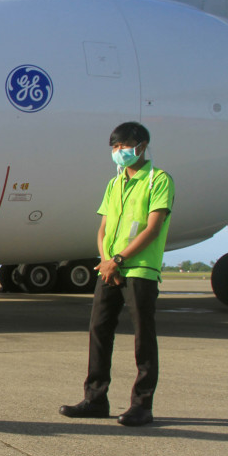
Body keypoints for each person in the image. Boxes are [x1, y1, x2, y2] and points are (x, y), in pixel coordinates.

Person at [60, 122, 174, 427]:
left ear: (141, 146)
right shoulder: (114, 184)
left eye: (122, 146)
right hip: (110, 268)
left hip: (140, 269)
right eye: (114, 147)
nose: (118, 151)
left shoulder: (158, 180)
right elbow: (103, 228)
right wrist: (106, 260)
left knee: (143, 336)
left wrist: (120, 259)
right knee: (99, 330)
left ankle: (142, 405)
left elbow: (153, 228)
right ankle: (95, 399)